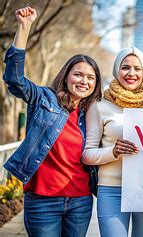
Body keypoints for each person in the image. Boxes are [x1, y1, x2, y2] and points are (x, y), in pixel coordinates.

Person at [2, 7, 102, 236]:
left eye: (90, 78)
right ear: (66, 76)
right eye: (78, 74)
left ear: (96, 84)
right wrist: (24, 28)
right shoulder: (43, 98)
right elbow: (14, 80)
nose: (83, 81)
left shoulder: (94, 114)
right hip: (42, 200)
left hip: (80, 202)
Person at [82, 46, 143, 237]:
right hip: (111, 190)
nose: (131, 73)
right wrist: (113, 151)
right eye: (125, 67)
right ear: (117, 69)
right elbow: (87, 154)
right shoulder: (99, 107)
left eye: (137, 68)